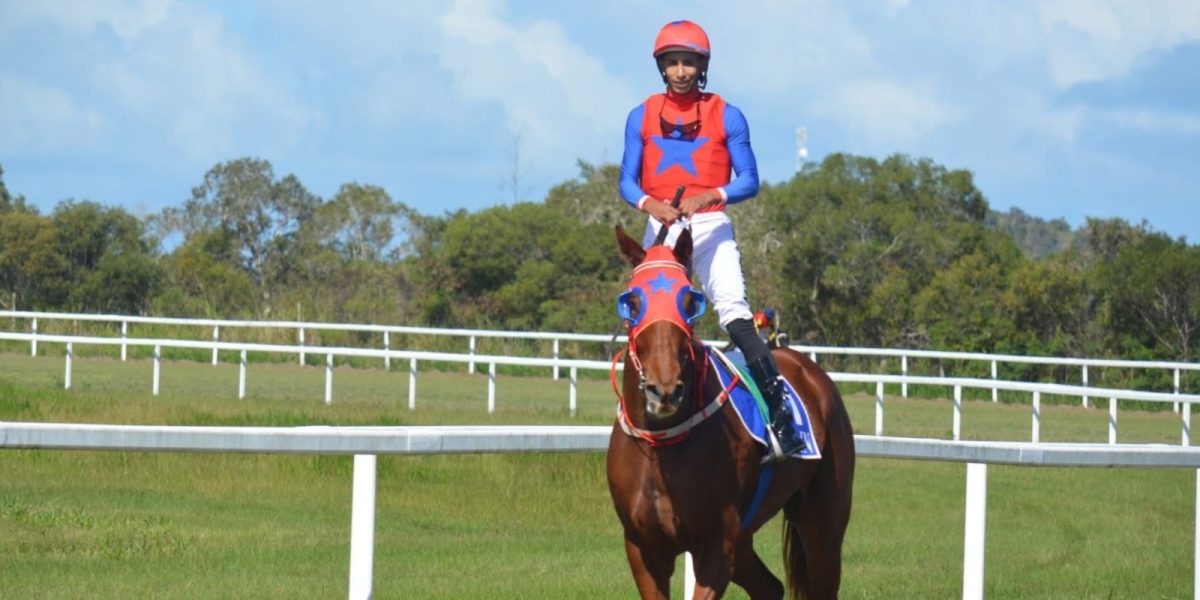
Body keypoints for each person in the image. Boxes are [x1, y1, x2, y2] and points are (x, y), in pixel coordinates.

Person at [618, 19, 804, 461]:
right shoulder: (640, 115)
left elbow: (750, 181)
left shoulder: (728, 114)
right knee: (650, 318)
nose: (681, 71)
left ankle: (780, 416)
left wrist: (709, 196)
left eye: (689, 62)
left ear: (702, 67)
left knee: (736, 318)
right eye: (673, 62)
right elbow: (626, 180)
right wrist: (649, 204)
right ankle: (637, 411)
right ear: (661, 66)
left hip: (712, 226)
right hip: (661, 228)